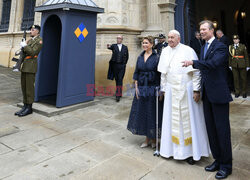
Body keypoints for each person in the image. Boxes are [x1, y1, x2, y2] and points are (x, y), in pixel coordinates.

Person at [182, 20, 233, 179]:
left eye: (204, 29)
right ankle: (217, 160)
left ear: (212, 30)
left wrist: (194, 63)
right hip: (207, 95)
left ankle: (226, 165)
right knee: (211, 130)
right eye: (200, 29)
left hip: (219, 94)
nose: (201, 32)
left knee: (222, 131)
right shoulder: (203, 47)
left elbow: (213, 64)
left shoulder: (221, 46)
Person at [158, 30, 210, 165]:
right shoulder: (164, 51)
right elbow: (163, 73)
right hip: (170, 90)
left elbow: (196, 72)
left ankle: (191, 152)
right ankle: (170, 151)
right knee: (171, 120)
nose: (169, 40)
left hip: (186, 89)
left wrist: (196, 90)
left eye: (172, 37)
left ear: (179, 39)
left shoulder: (188, 50)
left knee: (189, 121)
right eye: (168, 37)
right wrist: (163, 90)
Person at [127, 36, 162, 148]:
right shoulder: (140, 57)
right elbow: (136, 72)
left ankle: (154, 139)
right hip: (142, 88)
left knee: (152, 113)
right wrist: (136, 87)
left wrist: (160, 90)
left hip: (153, 88)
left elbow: (160, 75)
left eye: (146, 43)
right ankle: (147, 139)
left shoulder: (157, 57)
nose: (144, 45)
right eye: (143, 43)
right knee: (143, 113)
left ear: (151, 44)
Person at [14, 25, 43, 117]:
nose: (31, 31)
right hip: (25, 66)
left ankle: (29, 108)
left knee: (29, 88)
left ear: (37, 32)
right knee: (24, 87)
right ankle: (25, 106)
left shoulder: (39, 41)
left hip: (31, 67)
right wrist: (17, 63)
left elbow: (33, 52)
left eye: (33, 30)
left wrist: (25, 46)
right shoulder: (30, 40)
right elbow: (24, 53)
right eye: (30, 29)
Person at [107, 35, 129, 102]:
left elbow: (127, 56)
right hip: (115, 65)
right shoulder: (114, 46)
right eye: (117, 38)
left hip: (122, 66)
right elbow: (110, 47)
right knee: (117, 79)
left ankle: (118, 95)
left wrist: (124, 64)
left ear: (122, 39)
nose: (118, 39)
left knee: (120, 79)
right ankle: (119, 93)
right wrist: (108, 46)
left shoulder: (125, 47)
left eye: (119, 38)